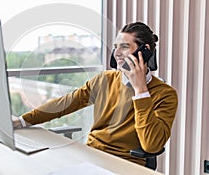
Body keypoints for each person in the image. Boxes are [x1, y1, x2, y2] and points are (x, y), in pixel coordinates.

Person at [13, 22, 178, 166]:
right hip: (91, 156)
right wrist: (22, 121)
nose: (117, 53)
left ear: (144, 51)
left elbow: (152, 145)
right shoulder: (105, 80)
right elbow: (65, 104)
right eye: (115, 47)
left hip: (126, 164)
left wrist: (140, 90)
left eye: (124, 46)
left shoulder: (165, 94)